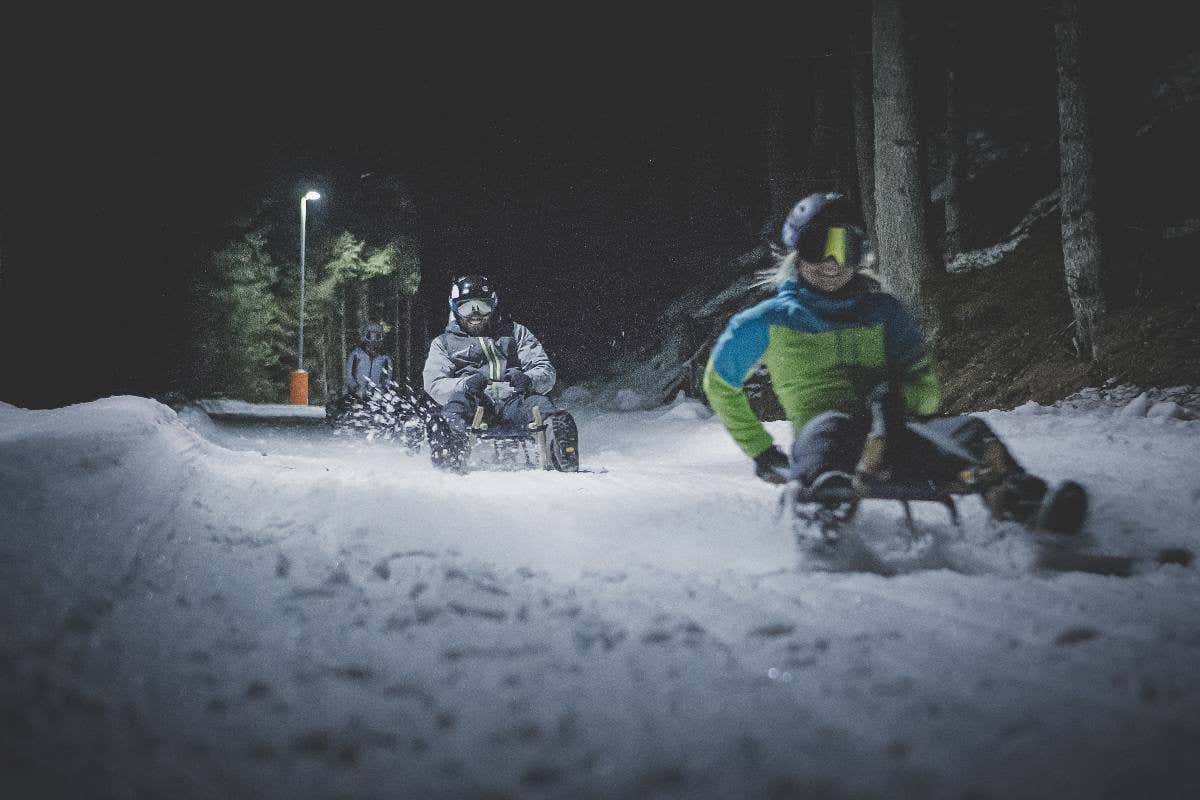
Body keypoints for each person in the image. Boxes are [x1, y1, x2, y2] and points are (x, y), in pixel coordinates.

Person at [703, 192, 1058, 526]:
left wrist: (894, 404)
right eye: (818, 247)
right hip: (826, 442)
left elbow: (921, 380)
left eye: (846, 249)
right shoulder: (768, 320)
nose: (831, 263)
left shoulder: (884, 312)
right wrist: (762, 451)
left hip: (892, 433)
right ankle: (822, 508)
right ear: (796, 253)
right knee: (830, 426)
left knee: (972, 432)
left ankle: (1023, 503)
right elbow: (719, 383)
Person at [422, 274, 578, 472]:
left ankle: (561, 448)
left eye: (482, 307)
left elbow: (545, 369)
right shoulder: (444, 343)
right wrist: (465, 384)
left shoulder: (515, 333)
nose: (475, 314)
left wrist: (528, 379)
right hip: (476, 403)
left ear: (493, 305)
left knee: (540, 404)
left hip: (516, 400)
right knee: (456, 405)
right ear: (455, 308)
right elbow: (434, 382)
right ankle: (449, 448)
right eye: (467, 307)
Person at [326, 321, 394, 425]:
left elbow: (388, 376)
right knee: (344, 406)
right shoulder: (356, 355)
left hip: (377, 395)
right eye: (370, 336)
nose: (373, 340)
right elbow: (349, 373)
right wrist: (354, 386)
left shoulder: (385, 358)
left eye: (377, 336)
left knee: (388, 410)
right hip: (357, 392)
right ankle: (340, 420)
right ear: (365, 336)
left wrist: (382, 390)